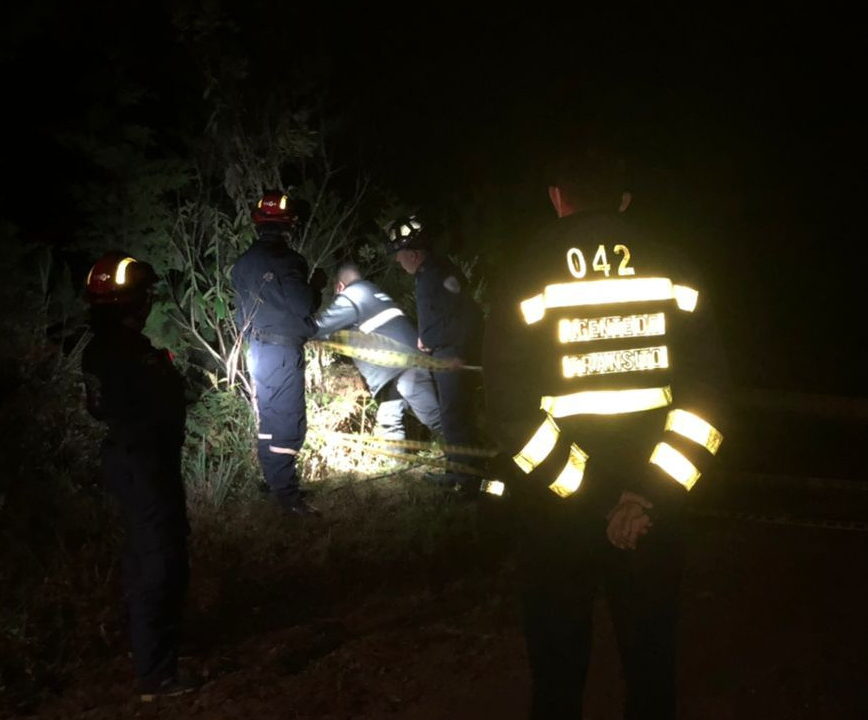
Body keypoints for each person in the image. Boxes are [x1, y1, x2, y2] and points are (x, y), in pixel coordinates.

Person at [482, 147, 730, 719]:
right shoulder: (677, 265)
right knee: (650, 663)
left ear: (556, 197)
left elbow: (507, 410)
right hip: (651, 515)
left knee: (558, 670)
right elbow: (709, 401)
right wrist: (645, 496)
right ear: (624, 199)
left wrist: (592, 498)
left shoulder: (523, 272)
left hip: (554, 511)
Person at [81, 252, 195, 701]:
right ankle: (157, 674)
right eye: (145, 296)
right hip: (146, 464)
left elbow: (99, 409)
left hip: (127, 461)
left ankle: (149, 655)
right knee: (160, 561)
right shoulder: (132, 354)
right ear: (134, 302)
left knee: (144, 556)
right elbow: (166, 404)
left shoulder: (98, 350)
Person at [230, 189, 319, 515]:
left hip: (258, 350)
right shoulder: (291, 262)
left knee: (269, 420)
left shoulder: (242, 264)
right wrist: (316, 287)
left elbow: (241, 312)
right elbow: (303, 305)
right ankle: (288, 498)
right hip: (282, 353)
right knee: (287, 424)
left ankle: (275, 481)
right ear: (289, 225)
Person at [387, 216, 485, 488]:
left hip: (451, 355)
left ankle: (465, 479)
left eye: (399, 254)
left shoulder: (433, 274)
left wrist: (459, 352)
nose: (398, 260)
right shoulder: (434, 271)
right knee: (453, 415)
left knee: (456, 416)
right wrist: (426, 337)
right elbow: (444, 315)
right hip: (446, 352)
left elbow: (467, 316)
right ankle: (459, 472)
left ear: (414, 254)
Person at [313, 261, 446, 440]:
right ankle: (397, 464)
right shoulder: (374, 293)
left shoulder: (352, 296)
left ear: (340, 286)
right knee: (388, 417)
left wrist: (295, 331)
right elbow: (343, 333)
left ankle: (471, 455)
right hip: (401, 366)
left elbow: (322, 326)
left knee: (434, 417)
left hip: (401, 366)